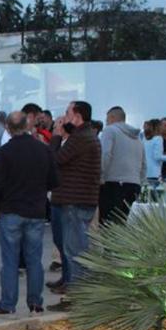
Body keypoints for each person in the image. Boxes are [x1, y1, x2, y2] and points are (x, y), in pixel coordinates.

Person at [0, 111, 59, 316]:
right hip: (35, 210)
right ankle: (36, 302)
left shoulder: (5, 152)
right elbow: (54, 181)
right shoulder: (42, 150)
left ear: (8, 129)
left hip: (11, 210)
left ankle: (8, 303)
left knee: (10, 260)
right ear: (27, 126)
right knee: (34, 260)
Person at [47, 101, 101, 309]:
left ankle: (76, 297)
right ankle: (73, 288)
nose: (64, 116)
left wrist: (57, 136)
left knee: (75, 250)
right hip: (74, 200)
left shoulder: (81, 138)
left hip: (74, 202)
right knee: (72, 247)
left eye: (68, 113)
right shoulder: (85, 136)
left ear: (77, 116)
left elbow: (55, 159)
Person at [98, 106, 145, 225]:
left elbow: (105, 154)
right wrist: (140, 182)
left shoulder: (110, 131)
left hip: (113, 184)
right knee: (122, 225)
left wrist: (100, 176)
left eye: (107, 119)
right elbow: (144, 164)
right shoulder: (137, 138)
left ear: (112, 117)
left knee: (108, 225)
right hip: (134, 185)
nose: (106, 122)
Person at [143, 119, 166, 184]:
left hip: (145, 172)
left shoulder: (145, 139)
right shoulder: (158, 138)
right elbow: (157, 157)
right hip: (155, 173)